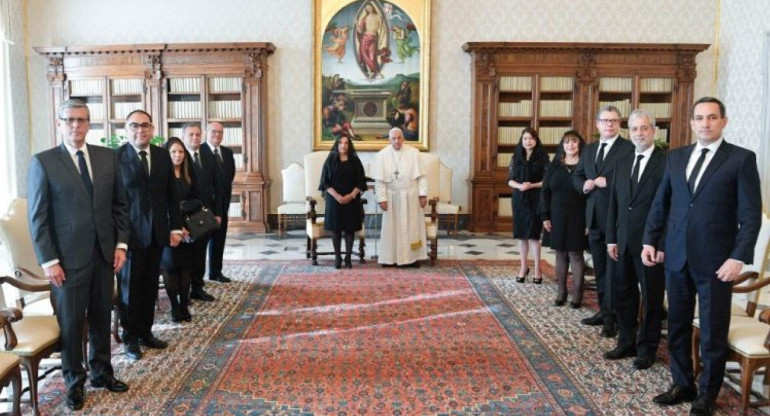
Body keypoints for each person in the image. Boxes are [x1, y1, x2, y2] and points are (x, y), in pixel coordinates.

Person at [643, 97, 761, 415]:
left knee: (712, 329)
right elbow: (661, 203)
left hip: (717, 262)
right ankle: (683, 383)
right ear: (692, 122)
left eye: (711, 117)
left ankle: (708, 393)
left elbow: (750, 216)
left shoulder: (741, 159)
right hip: (677, 256)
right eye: (699, 118)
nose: (705, 123)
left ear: (723, 121)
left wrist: (738, 257)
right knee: (678, 323)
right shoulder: (677, 158)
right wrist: (649, 240)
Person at [27, 99, 130, 411]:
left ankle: (101, 373)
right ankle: (74, 382)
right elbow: (38, 217)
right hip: (66, 262)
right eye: (69, 120)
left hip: (104, 256)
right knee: (72, 324)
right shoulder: (43, 162)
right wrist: (49, 261)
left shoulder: (107, 158)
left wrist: (121, 245)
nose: (76, 125)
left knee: (101, 316)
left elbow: (120, 206)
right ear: (59, 123)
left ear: (89, 124)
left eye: (82, 120)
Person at [116, 109, 183, 360]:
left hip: (157, 234)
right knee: (129, 290)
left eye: (145, 126)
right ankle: (130, 338)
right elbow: (114, 202)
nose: (140, 130)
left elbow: (171, 196)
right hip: (130, 237)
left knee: (148, 287)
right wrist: (118, 240)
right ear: (127, 129)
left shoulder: (163, 155)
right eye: (134, 126)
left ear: (152, 129)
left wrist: (175, 228)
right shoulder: (116, 158)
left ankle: (146, 332)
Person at [604, 109, 666, 370]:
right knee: (623, 293)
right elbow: (614, 204)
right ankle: (626, 341)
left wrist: (660, 244)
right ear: (628, 132)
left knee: (651, 298)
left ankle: (647, 348)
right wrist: (611, 239)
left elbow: (669, 207)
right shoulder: (622, 161)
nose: (639, 133)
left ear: (653, 131)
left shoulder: (667, 162)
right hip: (623, 241)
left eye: (644, 128)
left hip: (650, 246)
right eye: (634, 129)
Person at [573, 105, 634, 338]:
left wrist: (608, 182)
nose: (609, 124)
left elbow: (631, 180)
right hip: (595, 218)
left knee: (616, 271)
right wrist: (584, 185)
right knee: (600, 268)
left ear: (620, 124)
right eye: (605, 121)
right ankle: (603, 310)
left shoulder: (628, 148)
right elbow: (578, 176)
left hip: (618, 219)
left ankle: (614, 317)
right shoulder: (588, 150)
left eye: (614, 121)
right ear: (597, 124)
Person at [540, 131, 586, 307]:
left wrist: (589, 221)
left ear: (580, 145)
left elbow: (592, 196)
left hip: (579, 217)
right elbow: (545, 192)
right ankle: (561, 292)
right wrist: (545, 216)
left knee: (575, 253)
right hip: (556, 216)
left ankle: (577, 294)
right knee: (560, 253)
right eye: (567, 142)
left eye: (574, 142)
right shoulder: (555, 166)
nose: (570, 145)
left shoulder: (586, 166)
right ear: (562, 145)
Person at [372, 127, 428, 266]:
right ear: (389, 139)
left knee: (412, 228)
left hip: (411, 196)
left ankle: (412, 259)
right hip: (392, 198)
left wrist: (423, 195)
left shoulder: (414, 153)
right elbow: (379, 181)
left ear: (403, 138)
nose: (397, 141)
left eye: (399, 138)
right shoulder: (382, 155)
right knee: (391, 229)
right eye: (394, 138)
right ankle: (389, 258)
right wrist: (382, 199)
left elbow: (422, 177)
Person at [182, 123, 223, 302]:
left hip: (204, 216)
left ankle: (197, 288)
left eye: (198, 135)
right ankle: (183, 290)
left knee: (200, 253)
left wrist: (217, 213)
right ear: (184, 137)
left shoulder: (208, 156)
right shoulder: (178, 156)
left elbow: (218, 187)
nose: (195, 138)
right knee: (186, 255)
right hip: (185, 216)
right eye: (191, 135)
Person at [161, 137, 199, 322]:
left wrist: (185, 214)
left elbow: (198, 200)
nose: (178, 155)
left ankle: (184, 305)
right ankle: (174, 307)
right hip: (168, 228)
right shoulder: (161, 175)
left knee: (185, 268)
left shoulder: (188, 175)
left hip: (188, 229)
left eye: (181, 152)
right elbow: (161, 204)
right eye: (174, 152)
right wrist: (175, 226)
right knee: (169, 268)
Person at [508, 127, 549, 283]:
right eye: (525, 138)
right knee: (521, 236)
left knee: (533, 235)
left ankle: (538, 268)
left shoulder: (543, 157)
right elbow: (510, 180)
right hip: (519, 198)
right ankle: (523, 267)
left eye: (531, 138)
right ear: (521, 140)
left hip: (536, 198)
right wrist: (519, 186)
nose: (528, 141)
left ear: (536, 140)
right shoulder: (516, 157)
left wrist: (531, 185)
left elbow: (547, 181)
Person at [318, 136, 367, 268]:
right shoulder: (330, 161)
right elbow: (325, 183)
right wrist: (338, 196)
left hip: (351, 200)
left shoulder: (355, 161)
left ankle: (348, 258)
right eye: (340, 143)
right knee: (336, 229)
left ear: (349, 145)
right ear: (337, 145)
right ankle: (338, 257)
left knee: (350, 229)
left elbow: (361, 182)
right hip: (334, 200)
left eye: (346, 143)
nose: (343, 145)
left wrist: (351, 196)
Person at [202, 122, 236, 283]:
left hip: (222, 205)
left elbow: (229, 179)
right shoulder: (200, 151)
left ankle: (216, 272)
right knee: (202, 243)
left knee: (219, 240)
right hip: (205, 207)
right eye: (214, 132)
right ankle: (197, 278)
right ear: (206, 132)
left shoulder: (228, 153)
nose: (217, 135)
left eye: (220, 133)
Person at [356, 2, 390, 79]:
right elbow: (361, 31)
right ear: (366, 10)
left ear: (373, 7)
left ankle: (376, 72)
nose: (369, 9)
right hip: (364, 38)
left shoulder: (378, 16)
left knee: (372, 57)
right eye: (367, 8)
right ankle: (373, 73)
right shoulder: (365, 17)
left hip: (373, 38)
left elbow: (383, 30)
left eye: (370, 7)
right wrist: (356, 24)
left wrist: (381, 39)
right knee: (365, 56)